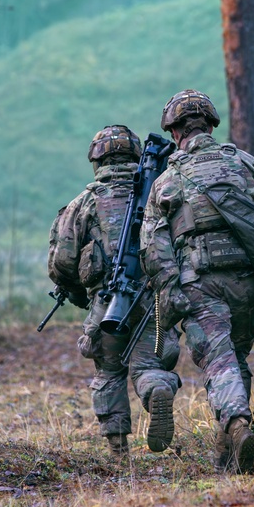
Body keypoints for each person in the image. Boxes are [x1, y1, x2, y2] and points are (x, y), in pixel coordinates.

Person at [140, 90, 254, 474]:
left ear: (175, 132)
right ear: (210, 125)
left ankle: (239, 424)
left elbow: (152, 246)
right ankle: (229, 455)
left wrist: (170, 289)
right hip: (247, 284)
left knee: (218, 361)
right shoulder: (244, 163)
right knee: (233, 359)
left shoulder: (167, 180)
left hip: (201, 285)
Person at [48, 125, 181, 457]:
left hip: (107, 303)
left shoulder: (84, 203)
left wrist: (80, 293)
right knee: (150, 365)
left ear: (97, 159)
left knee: (108, 370)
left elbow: (61, 262)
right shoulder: (158, 192)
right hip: (154, 301)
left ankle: (119, 450)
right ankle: (157, 390)